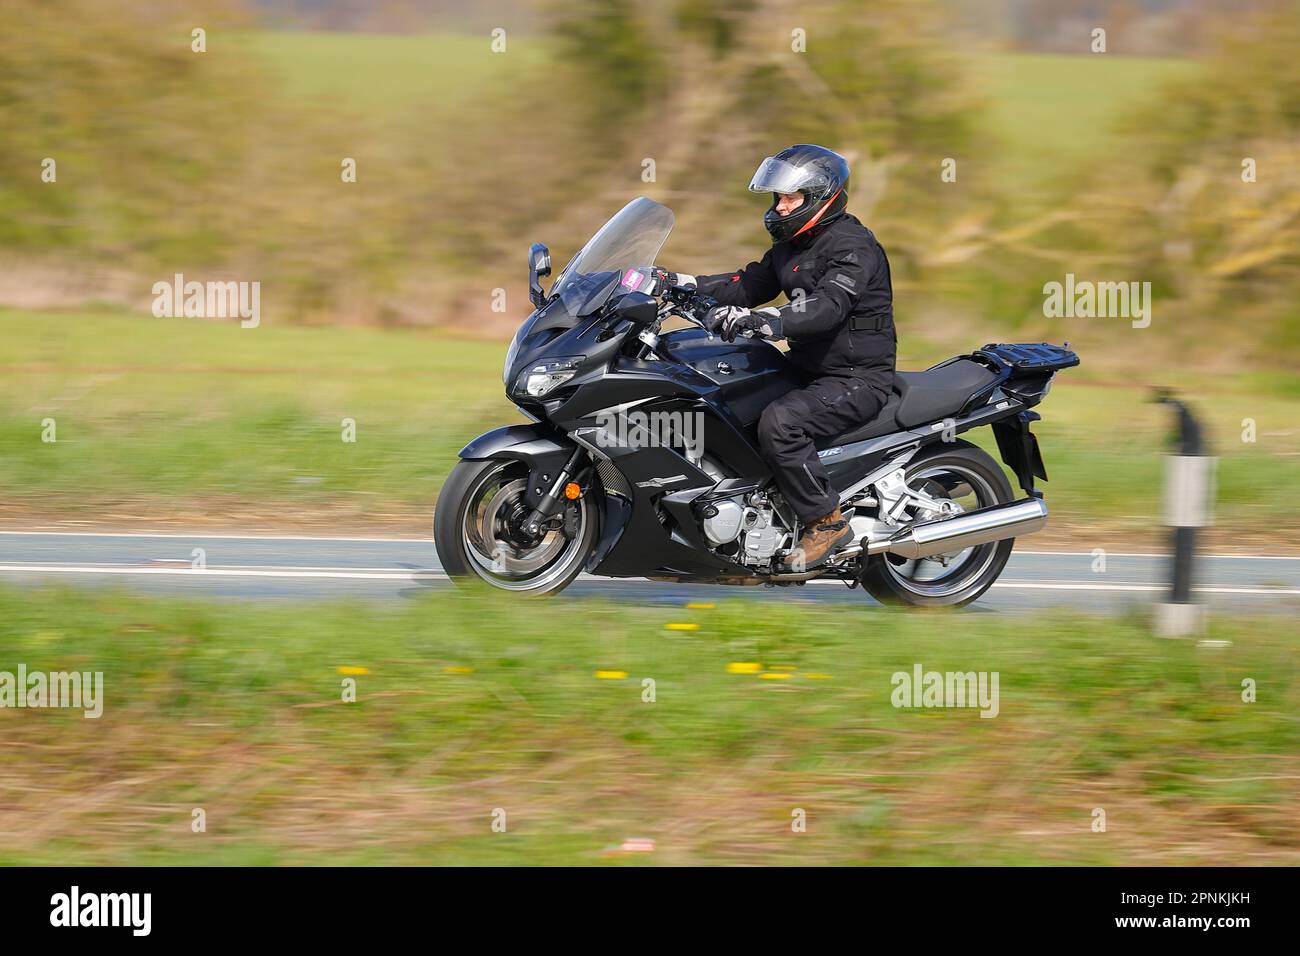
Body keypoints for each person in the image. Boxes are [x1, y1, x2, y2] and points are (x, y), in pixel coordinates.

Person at [659, 144, 896, 569]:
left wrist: (768, 322)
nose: (781, 206)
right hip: (807, 370)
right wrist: (678, 282)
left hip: (856, 378)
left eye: (792, 198)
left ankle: (826, 521)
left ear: (823, 198)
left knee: (781, 423)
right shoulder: (793, 245)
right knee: (726, 401)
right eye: (779, 198)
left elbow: (828, 306)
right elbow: (746, 284)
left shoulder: (853, 246)